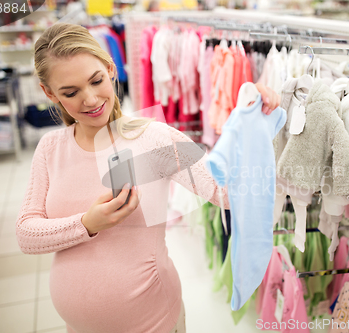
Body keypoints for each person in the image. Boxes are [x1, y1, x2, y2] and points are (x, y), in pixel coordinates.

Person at [16, 23, 280, 333]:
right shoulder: (51, 148)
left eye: (96, 80)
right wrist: (88, 224)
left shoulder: (152, 138)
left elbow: (227, 192)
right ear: (49, 93)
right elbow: (26, 233)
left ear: (111, 68)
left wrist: (252, 122)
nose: (89, 99)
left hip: (152, 321)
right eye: (71, 92)